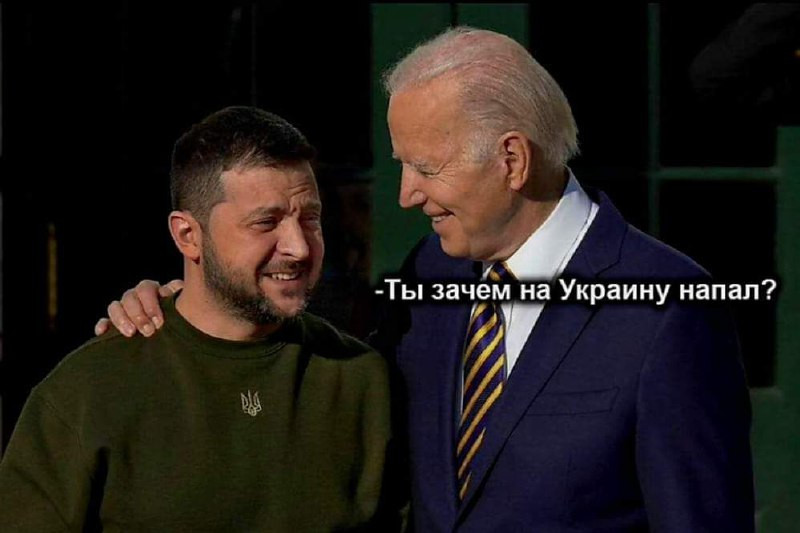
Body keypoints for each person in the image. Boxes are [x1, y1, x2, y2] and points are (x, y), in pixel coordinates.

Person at [95, 28, 754, 532]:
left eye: (426, 168)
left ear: (512, 160)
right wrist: (188, 305)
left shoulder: (670, 313)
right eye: (401, 165)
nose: (406, 194)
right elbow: (325, 370)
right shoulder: (433, 270)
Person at [0, 106, 402, 531]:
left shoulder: (362, 381)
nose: (299, 247)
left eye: (310, 218)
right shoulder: (90, 390)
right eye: (265, 222)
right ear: (188, 235)